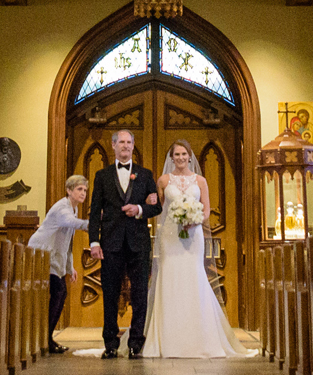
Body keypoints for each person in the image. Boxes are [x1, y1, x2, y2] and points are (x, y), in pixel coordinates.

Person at [140, 138, 250, 358]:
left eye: (184, 154)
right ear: (171, 158)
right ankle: (167, 339)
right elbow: (156, 208)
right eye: (176, 154)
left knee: (194, 277)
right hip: (170, 235)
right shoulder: (163, 180)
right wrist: (150, 200)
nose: (180, 158)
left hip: (193, 234)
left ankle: (200, 337)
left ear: (190, 156)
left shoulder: (200, 181)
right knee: (169, 278)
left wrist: (194, 219)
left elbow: (207, 210)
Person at [85, 127, 161, 358]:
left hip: (138, 242)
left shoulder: (145, 174)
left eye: (129, 142)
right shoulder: (102, 175)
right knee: (110, 292)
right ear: (114, 145)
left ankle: (136, 342)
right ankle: (110, 342)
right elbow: (95, 210)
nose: (126, 146)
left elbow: (156, 207)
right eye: (121, 142)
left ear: (133, 145)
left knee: (139, 293)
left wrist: (139, 209)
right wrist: (94, 242)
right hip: (111, 242)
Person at [31, 174, 90, 354]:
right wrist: (93, 224)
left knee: (60, 293)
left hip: (55, 257)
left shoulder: (74, 209)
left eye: (85, 190)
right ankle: (45, 338)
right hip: (42, 253)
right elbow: (68, 222)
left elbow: (68, 241)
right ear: (69, 190)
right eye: (79, 189)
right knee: (58, 292)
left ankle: (47, 337)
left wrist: (69, 266)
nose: (83, 193)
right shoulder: (62, 207)